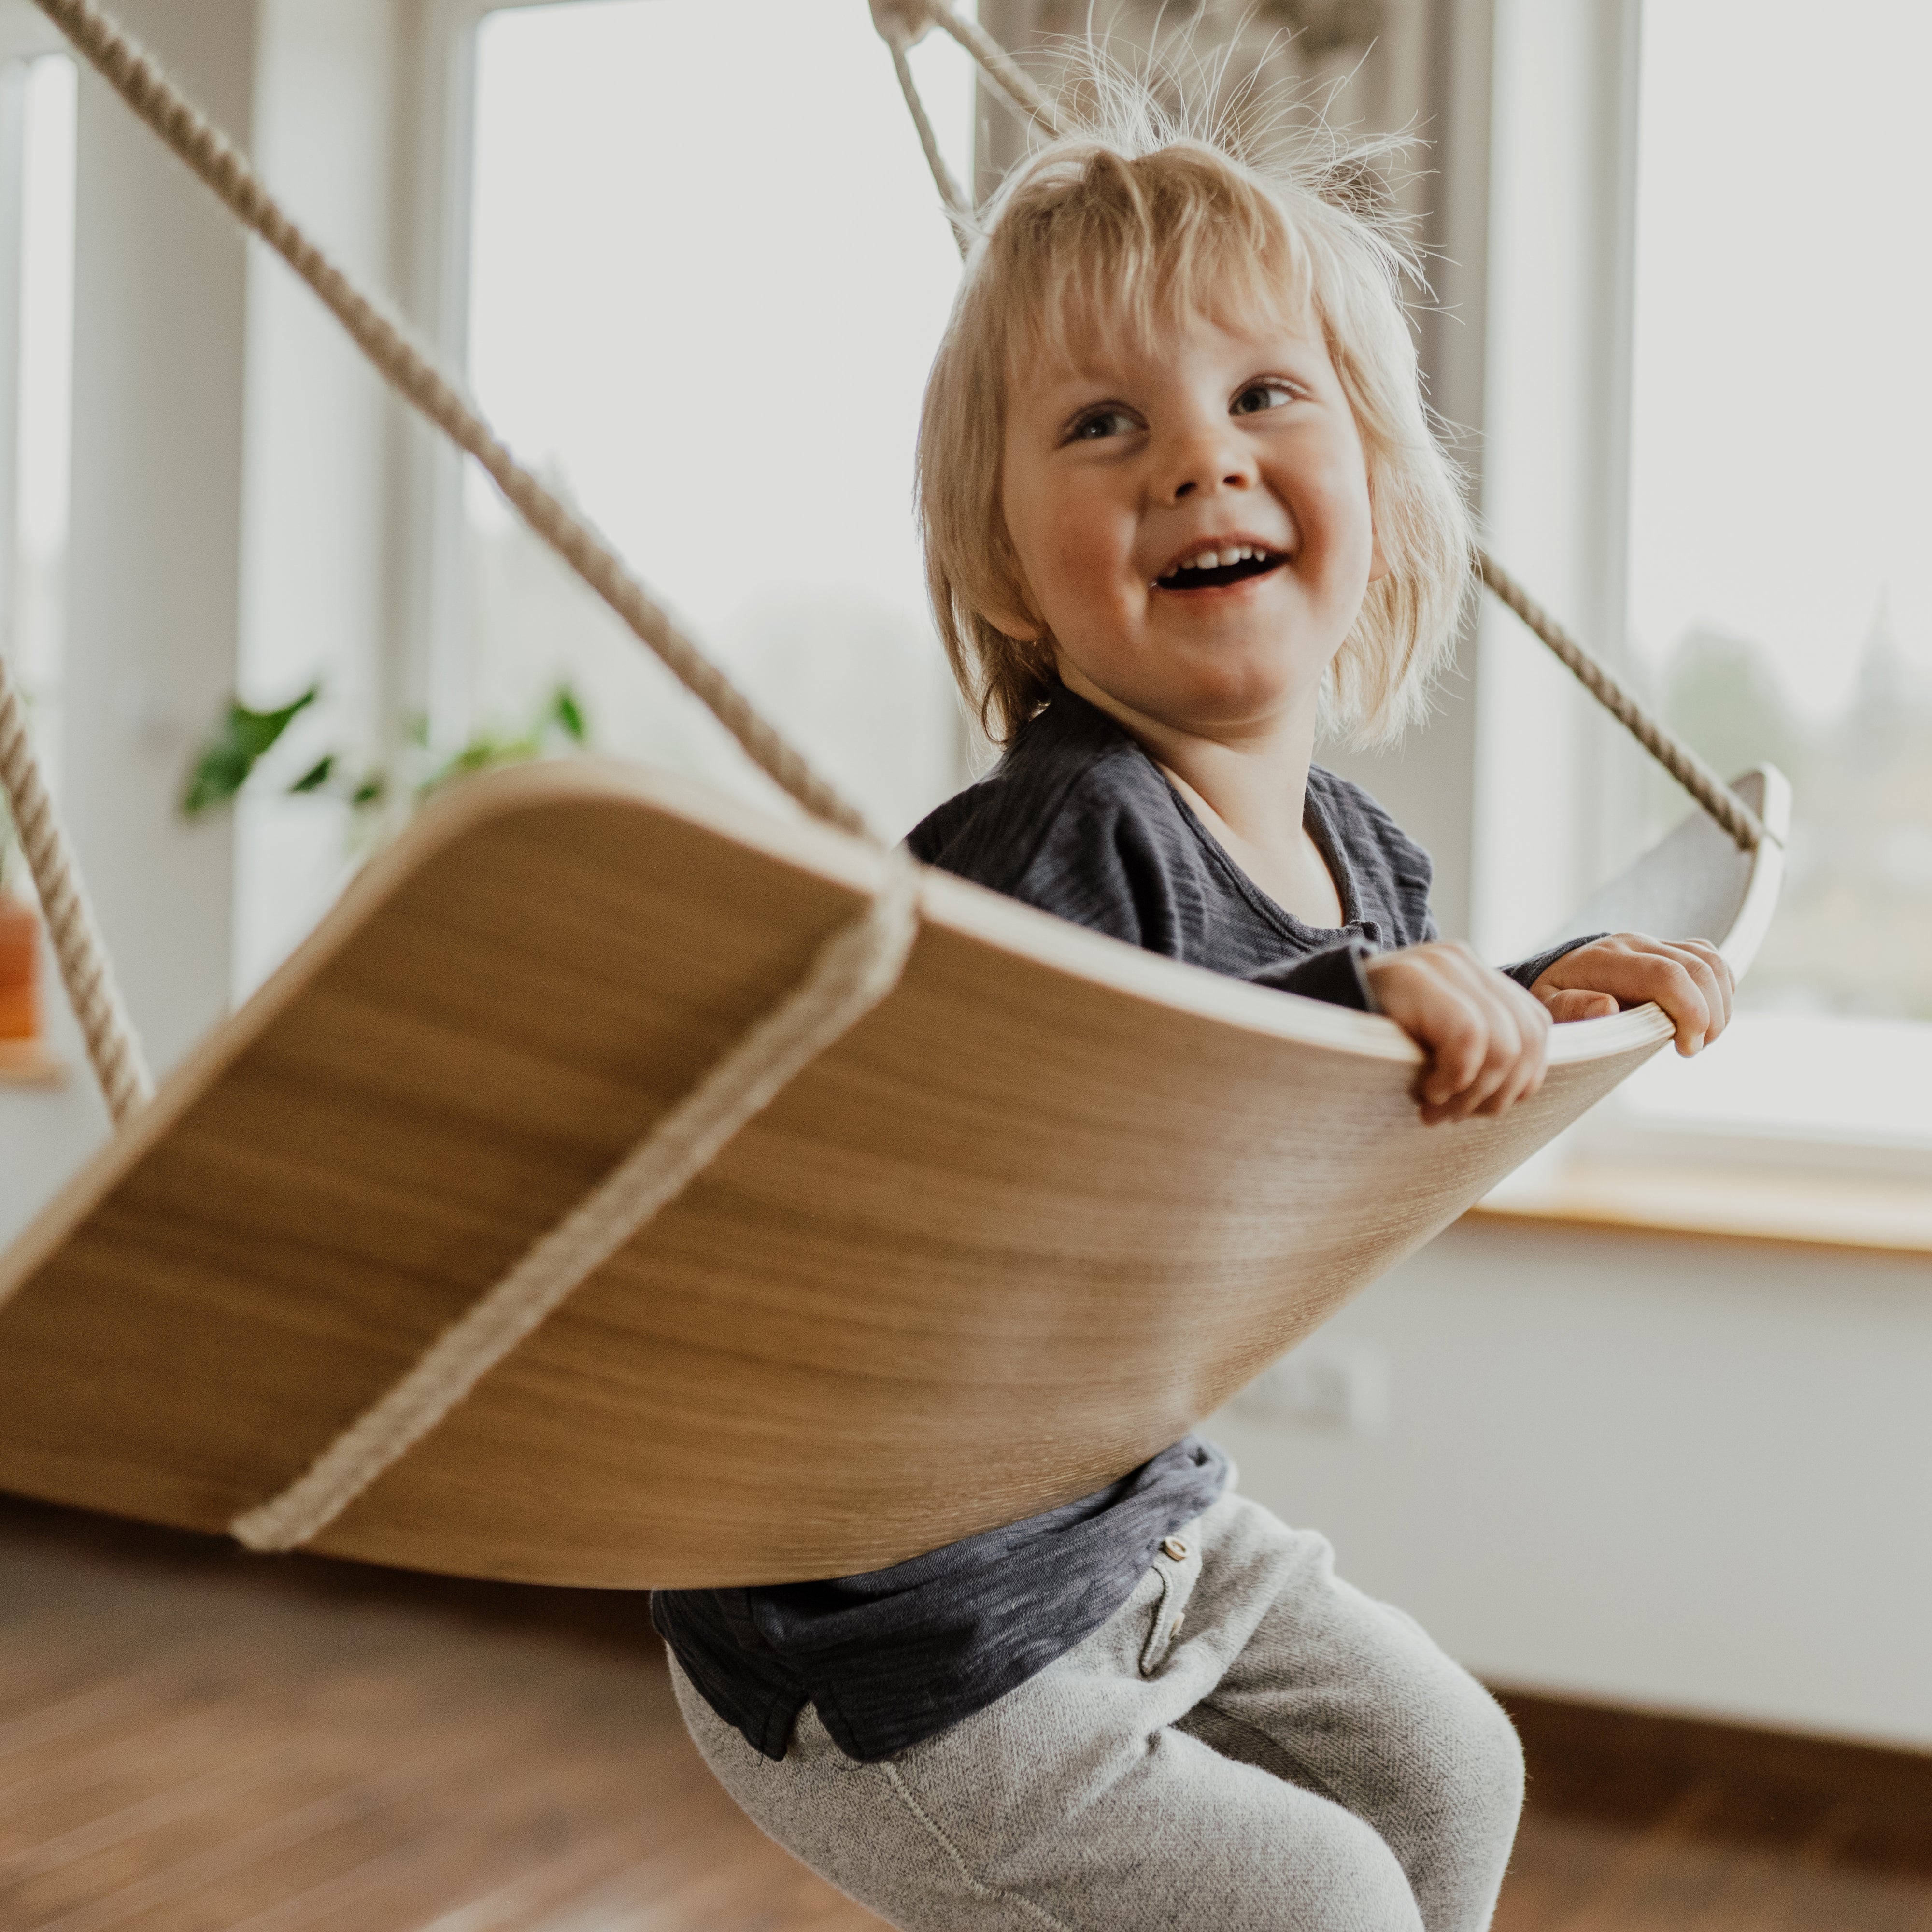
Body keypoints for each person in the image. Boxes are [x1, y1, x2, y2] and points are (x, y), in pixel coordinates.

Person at [655, 81, 1733, 1932]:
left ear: (1375, 495)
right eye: (1101, 425)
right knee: (1315, 1903)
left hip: (1126, 1524)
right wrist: (1360, 994)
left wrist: (1538, 991)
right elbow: (1072, 1098)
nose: (1196, 462)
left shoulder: (1361, 855)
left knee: (1452, 1770)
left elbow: (1352, 1060)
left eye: (1264, 397)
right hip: (892, 1633)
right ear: (1006, 563)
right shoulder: (1048, 842)